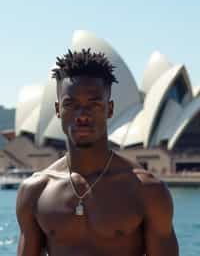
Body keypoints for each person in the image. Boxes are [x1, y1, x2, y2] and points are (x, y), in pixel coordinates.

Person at [16, 48, 179, 256]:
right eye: (71, 105)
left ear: (109, 109)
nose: (82, 115)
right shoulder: (35, 192)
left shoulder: (147, 191)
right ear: (58, 110)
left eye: (93, 105)